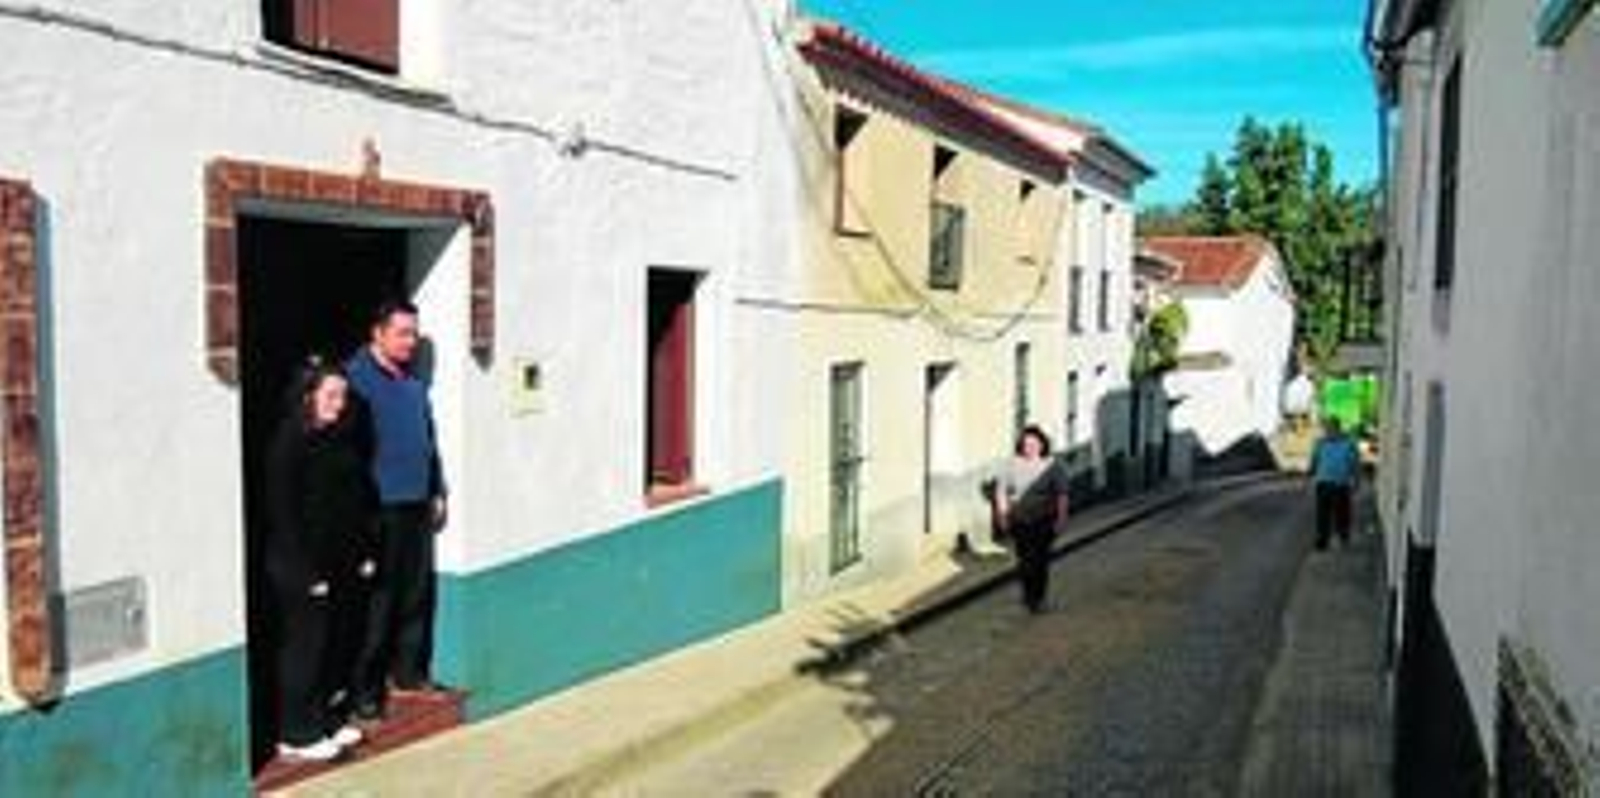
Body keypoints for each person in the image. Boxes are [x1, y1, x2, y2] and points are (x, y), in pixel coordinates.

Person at [264, 359, 376, 762]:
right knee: (304, 649)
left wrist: (362, 552)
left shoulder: (337, 437)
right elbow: (284, 513)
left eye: (343, 396)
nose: (340, 403)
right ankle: (296, 732)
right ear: (308, 396)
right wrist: (305, 571)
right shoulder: (289, 442)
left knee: (334, 644)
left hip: (339, 562)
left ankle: (326, 719)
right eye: (331, 395)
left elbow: (351, 501)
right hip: (301, 568)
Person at [347, 300, 451, 722]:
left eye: (414, 334)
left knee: (415, 592)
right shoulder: (356, 380)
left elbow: (428, 438)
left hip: (416, 503)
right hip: (379, 508)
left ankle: (408, 674)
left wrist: (437, 488)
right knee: (378, 601)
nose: (411, 342)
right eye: (402, 333)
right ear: (378, 333)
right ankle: (364, 691)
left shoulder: (412, 382)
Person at [994, 425, 1071, 614]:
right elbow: (1001, 491)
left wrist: (1061, 519)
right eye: (1026, 443)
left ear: (1042, 444)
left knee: (1040, 561)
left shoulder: (1053, 465)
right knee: (1024, 561)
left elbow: (1062, 495)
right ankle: (1028, 595)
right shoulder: (1012, 464)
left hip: (1044, 520)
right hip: (1020, 522)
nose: (1030, 447)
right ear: (1021, 445)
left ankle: (1038, 598)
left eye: (1034, 443)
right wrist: (1002, 516)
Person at [1309, 418, 1361, 550]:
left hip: (1341, 484)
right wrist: (1312, 474)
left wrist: (1356, 480)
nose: (1329, 431)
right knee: (1322, 515)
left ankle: (1343, 537)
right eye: (1327, 429)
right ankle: (1322, 540)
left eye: (1331, 428)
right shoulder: (1320, 443)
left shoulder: (1349, 443)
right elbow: (1315, 460)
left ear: (1338, 428)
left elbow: (1355, 463)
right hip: (1323, 483)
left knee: (1342, 514)